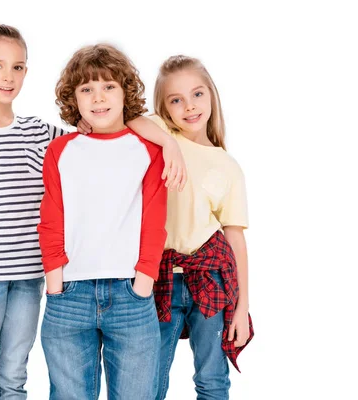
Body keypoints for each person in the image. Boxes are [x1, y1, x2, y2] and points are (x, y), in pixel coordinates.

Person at [0, 25, 186, 399]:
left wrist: (167, 141)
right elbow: (40, 217)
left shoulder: (54, 135)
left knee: (15, 375)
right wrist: (53, 283)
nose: (8, 76)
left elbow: (151, 212)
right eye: (86, 89)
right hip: (29, 285)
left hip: (80, 286)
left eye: (18, 67)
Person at [38, 43, 167, 400]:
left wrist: (143, 282)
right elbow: (52, 219)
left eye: (108, 86)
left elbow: (154, 221)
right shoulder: (61, 151)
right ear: (74, 99)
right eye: (86, 89)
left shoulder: (148, 149)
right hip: (69, 296)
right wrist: (54, 283)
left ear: (125, 91)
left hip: (131, 294)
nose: (98, 98)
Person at [144, 55, 254, 400]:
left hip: (211, 277)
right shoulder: (161, 133)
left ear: (212, 96)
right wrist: (170, 144)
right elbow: (130, 119)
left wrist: (242, 307)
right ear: (164, 107)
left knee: (212, 379)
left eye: (197, 94)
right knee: (149, 380)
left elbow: (234, 237)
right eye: (176, 100)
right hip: (159, 278)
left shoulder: (228, 165)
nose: (189, 107)